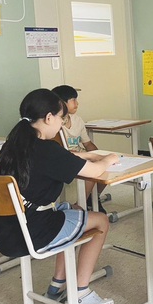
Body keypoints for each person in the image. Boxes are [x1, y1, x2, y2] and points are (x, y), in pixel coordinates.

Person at [0, 89, 118, 304]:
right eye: (61, 118)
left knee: (75, 211)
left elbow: (52, 160)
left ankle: (57, 285)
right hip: (34, 230)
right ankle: (81, 292)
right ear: (49, 117)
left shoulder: (12, 145)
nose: (61, 124)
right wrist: (109, 159)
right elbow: (96, 172)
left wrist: (81, 156)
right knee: (101, 221)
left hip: (7, 228)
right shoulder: (48, 149)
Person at [51, 85, 106, 213]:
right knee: (91, 169)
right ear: (62, 103)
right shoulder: (55, 123)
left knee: (105, 167)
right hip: (67, 158)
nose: (77, 103)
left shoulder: (78, 120)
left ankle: (93, 198)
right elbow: (62, 152)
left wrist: (100, 155)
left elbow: (87, 144)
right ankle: (81, 204)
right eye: (73, 100)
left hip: (80, 155)